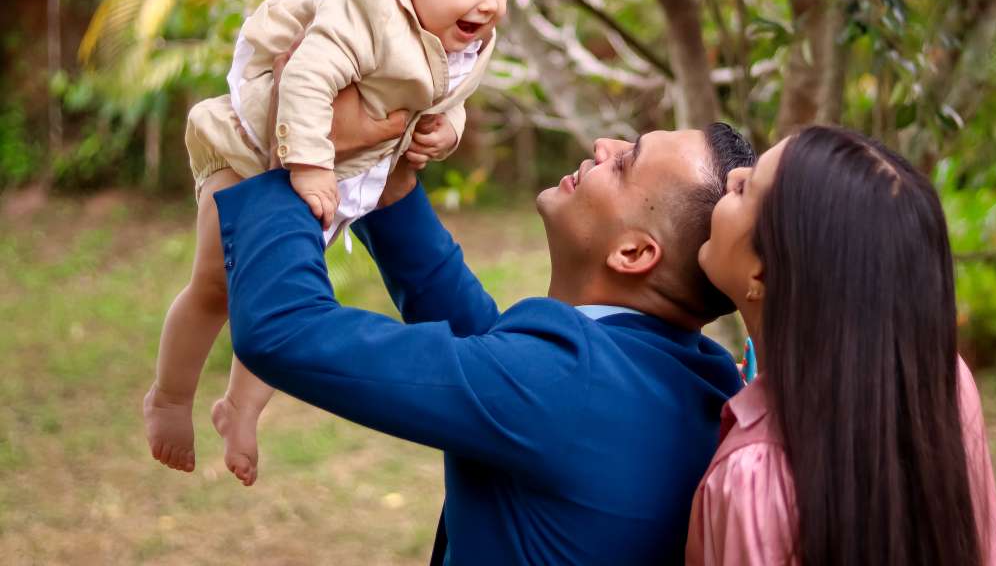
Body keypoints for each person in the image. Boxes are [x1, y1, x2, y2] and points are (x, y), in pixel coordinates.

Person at [211, 70, 756, 562]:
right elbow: (496, 357)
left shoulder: (562, 383)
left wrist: (294, 143)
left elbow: (286, 330)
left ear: (634, 255)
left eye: (624, 162)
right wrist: (390, 183)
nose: (603, 145)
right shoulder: (700, 372)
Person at [143, 0, 523, 486]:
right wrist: (312, 162)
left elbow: (451, 97)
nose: (490, 3)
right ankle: (166, 397)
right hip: (248, 147)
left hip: (336, 179)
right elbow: (308, 75)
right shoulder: (368, 7)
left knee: (289, 294)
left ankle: (240, 408)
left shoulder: (467, 41)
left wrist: (446, 130)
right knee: (215, 286)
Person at [687, 126, 996, 566]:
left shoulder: (753, 478)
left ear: (762, 274)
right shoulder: (943, 379)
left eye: (746, 189)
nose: (730, 177)